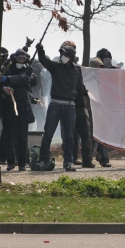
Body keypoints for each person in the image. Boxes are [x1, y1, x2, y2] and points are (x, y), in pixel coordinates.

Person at [34, 42, 85, 172]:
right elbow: (44, 60)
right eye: (61, 53)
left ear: (71, 56)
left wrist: (84, 96)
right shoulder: (56, 67)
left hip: (70, 106)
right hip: (55, 104)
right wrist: (41, 50)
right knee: (48, 134)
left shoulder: (76, 70)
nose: (63, 56)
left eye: (65, 54)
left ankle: (68, 162)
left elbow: (79, 87)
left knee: (69, 137)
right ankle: (43, 160)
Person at [0, 48, 37, 171]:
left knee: (23, 137)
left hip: (23, 106)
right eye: (19, 58)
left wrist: (8, 79)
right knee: (9, 136)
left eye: (24, 58)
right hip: (8, 105)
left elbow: (26, 80)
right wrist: (4, 88)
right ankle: (11, 162)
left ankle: (22, 163)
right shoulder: (7, 67)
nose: (21, 60)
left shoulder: (28, 69)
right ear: (14, 58)